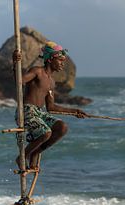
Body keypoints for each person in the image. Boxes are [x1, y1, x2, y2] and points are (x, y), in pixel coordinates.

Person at [13, 41, 88, 170]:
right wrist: (15, 63)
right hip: (26, 111)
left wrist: (75, 111)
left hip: (40, 113)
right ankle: (22, 156)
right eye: (60, 60)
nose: (62, 64)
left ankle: (36, 152)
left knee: (62, 127)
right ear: (51, 59)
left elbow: (51, 107)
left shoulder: (52, 82)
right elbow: (19, 81)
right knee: (46, 132)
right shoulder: (37, 71)